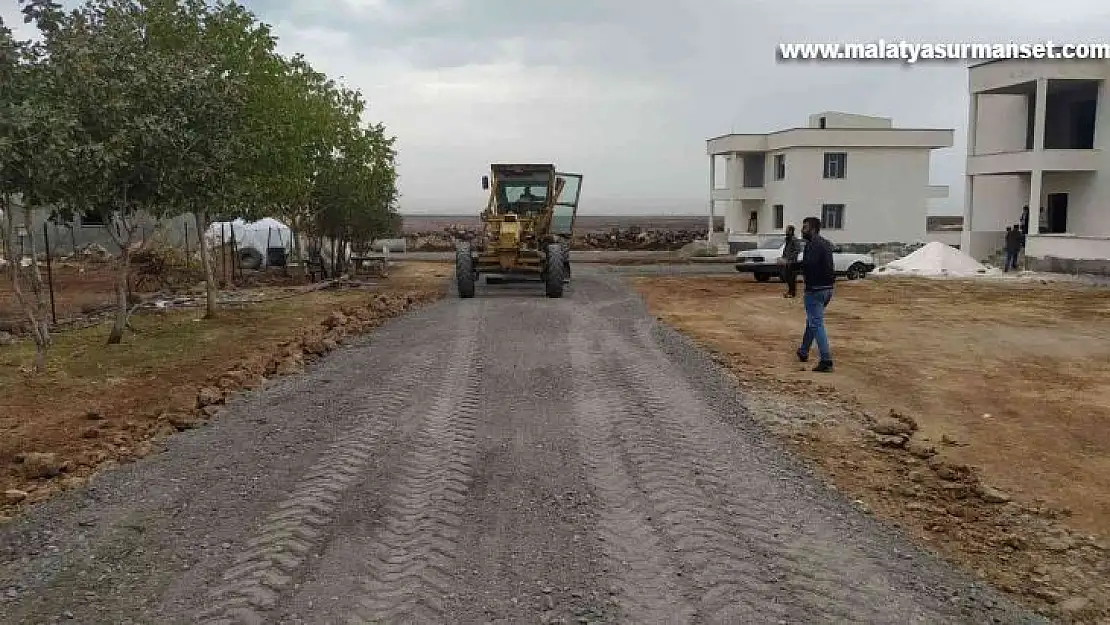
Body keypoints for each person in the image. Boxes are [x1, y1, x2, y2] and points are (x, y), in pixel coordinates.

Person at [788, 216, 836, 372]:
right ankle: (803, 350)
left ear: (813, 229)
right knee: (813, 320)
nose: (802, 230)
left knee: (816, 323)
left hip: (816, 290)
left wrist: (789, 265)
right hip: (827, 289)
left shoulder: (812, 245)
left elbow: (808, 265)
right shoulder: (825, 243)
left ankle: (826, 360)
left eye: (805, 227)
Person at [779, 225, 800, 298]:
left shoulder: (794, 240)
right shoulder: (788, 240)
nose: (786, 231)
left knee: (791, 277)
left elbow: (797, 250)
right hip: (786, 262)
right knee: (786, 277)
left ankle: (792, 292)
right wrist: (783, 257)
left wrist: (790, 258)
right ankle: (789, 291)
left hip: (792, 262)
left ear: (791, 231)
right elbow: (786, 250)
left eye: (787, 230)